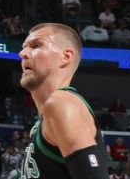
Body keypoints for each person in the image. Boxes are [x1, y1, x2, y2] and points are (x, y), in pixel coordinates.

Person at [17, 23, 109, 179]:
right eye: (24, 47)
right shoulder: (42, 122)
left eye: (36, 45)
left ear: (66, 56)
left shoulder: (62, 103)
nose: (23, 53)